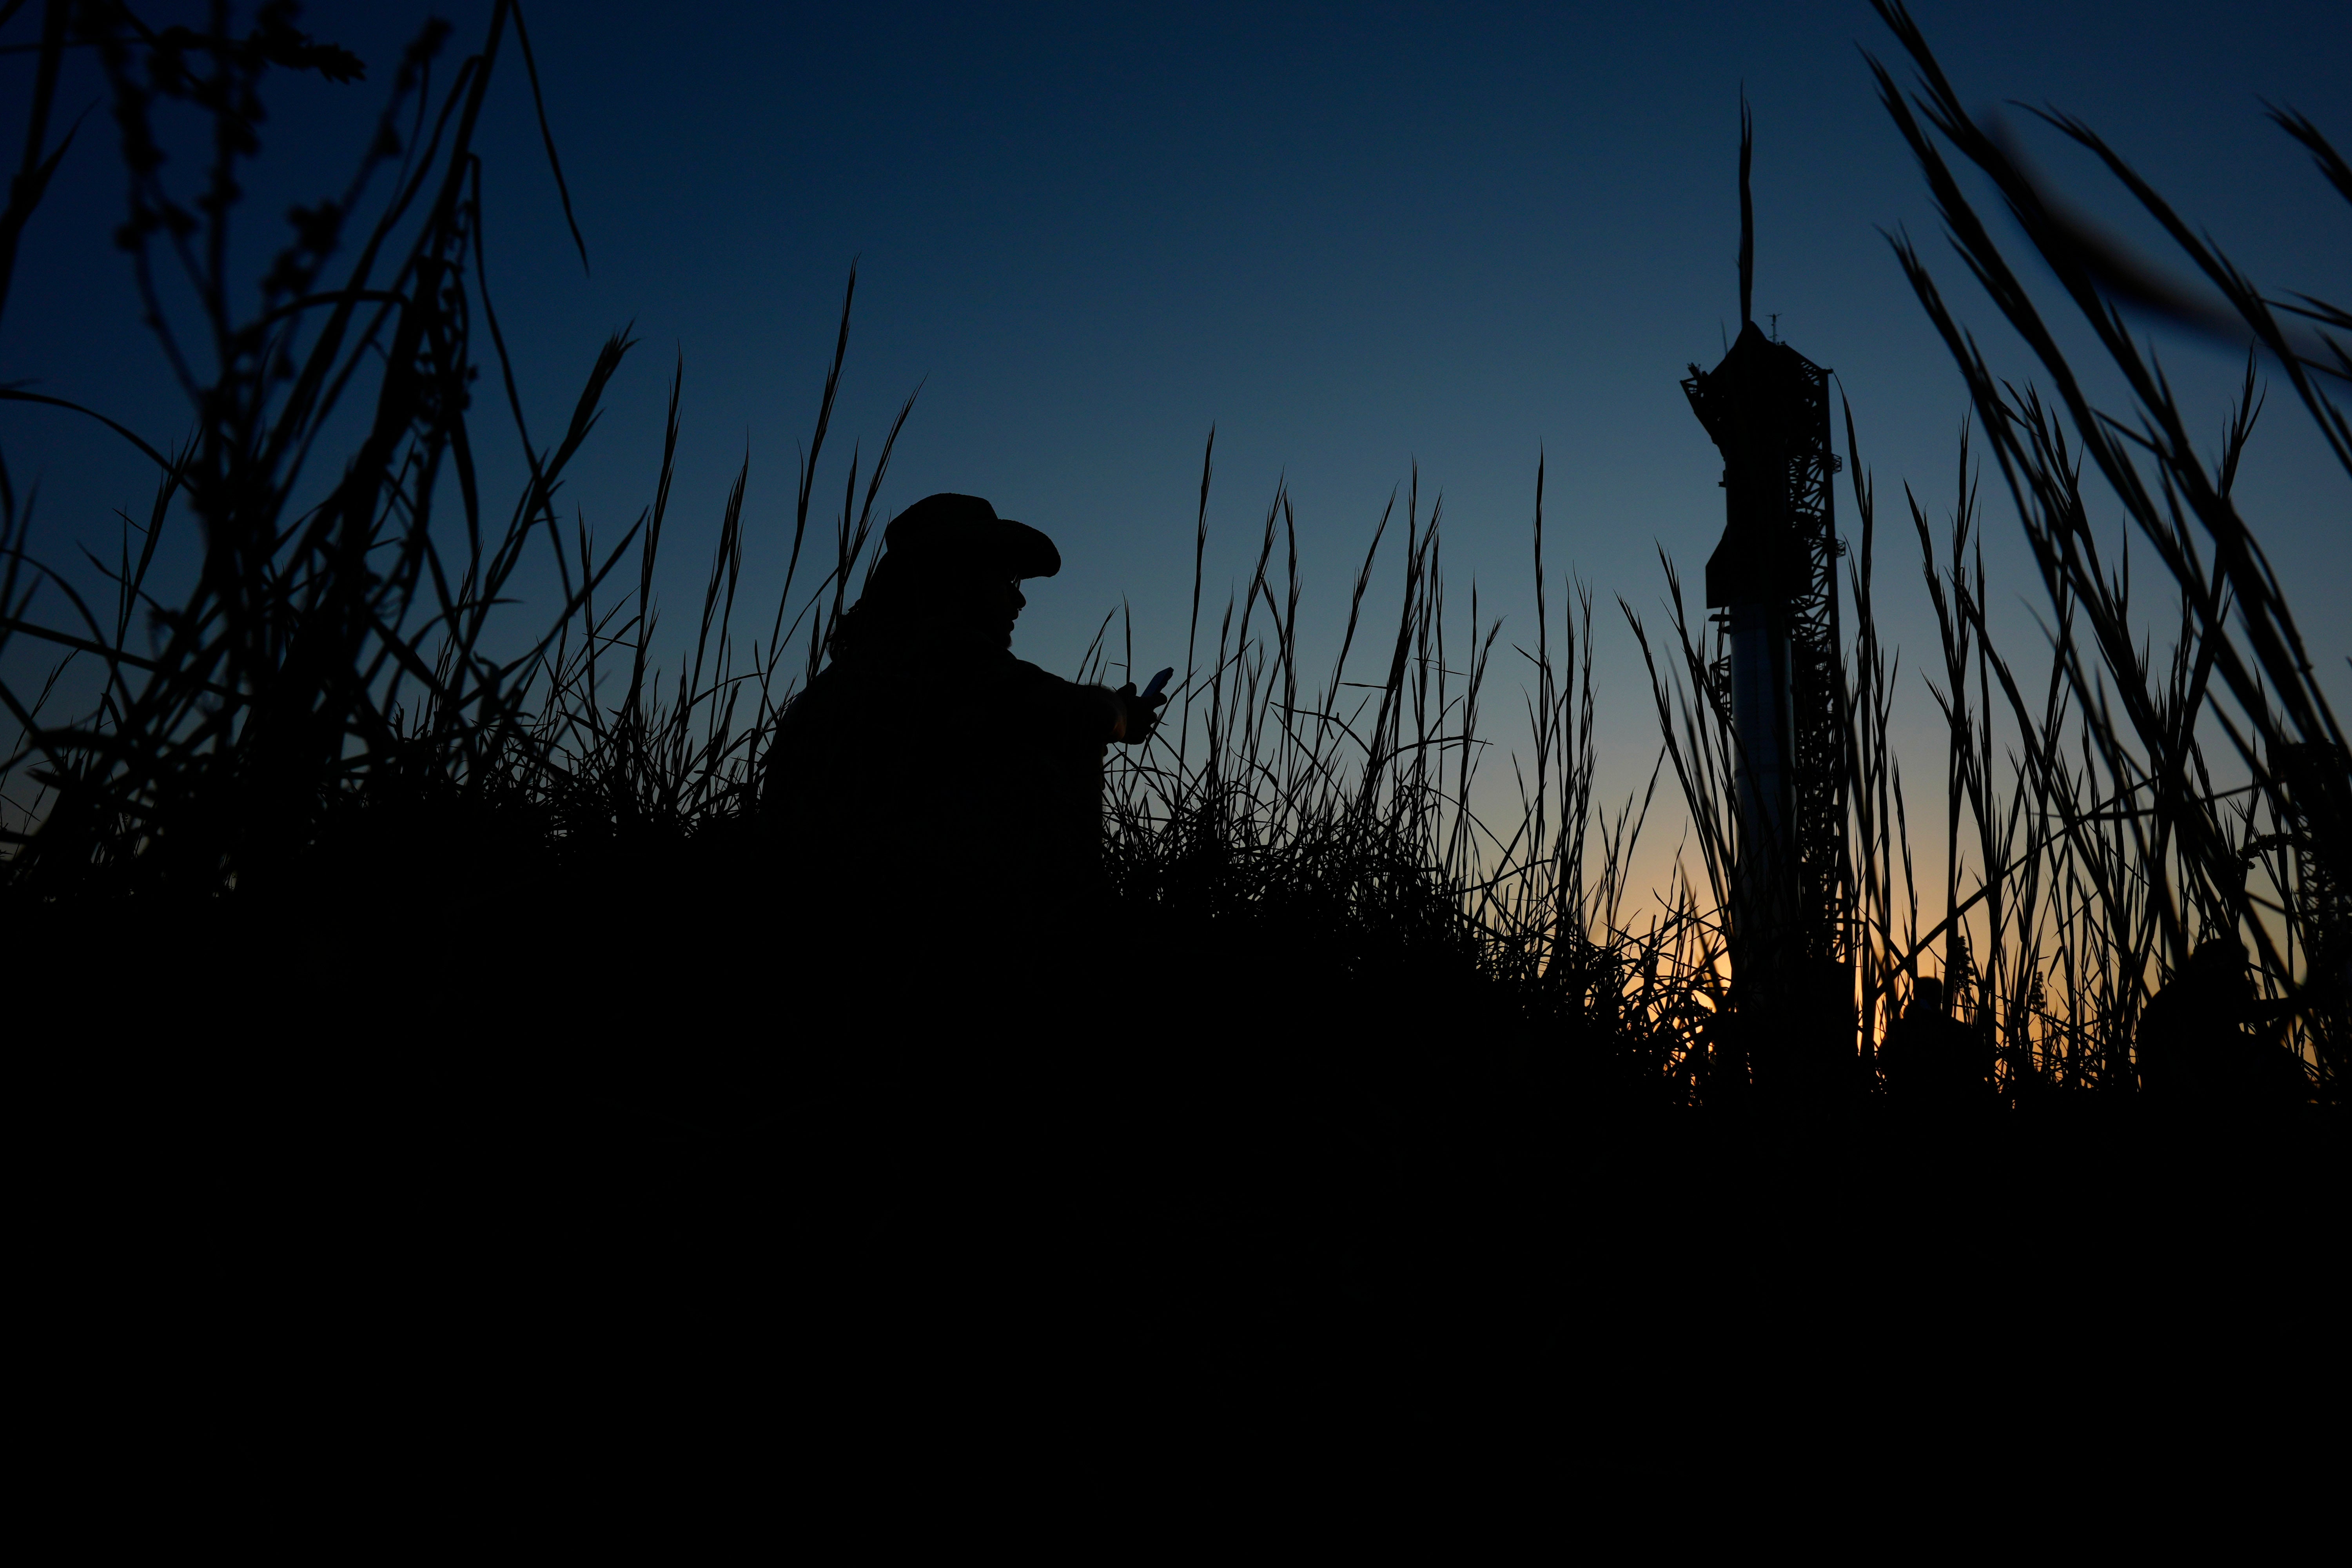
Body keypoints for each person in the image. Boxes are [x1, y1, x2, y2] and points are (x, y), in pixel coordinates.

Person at [759, 493, 1165, 938]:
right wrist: (1122, 712)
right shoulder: (942, 652)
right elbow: (1085, 714)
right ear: (957, 574)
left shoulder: (852, 674)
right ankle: (1076, 946)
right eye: (1008, 577)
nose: (1020, 600)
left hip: (809, 918)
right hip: (898, 930)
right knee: (1057, 745)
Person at [2135, 938, 2311, 1107]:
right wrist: (2300, 1002)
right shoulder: (2197, 991)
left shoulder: (2180, 991)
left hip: (2181, 1082)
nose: (2239, 974)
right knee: (2281, 1064)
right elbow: (2248, 1012)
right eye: (2237, 967)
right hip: (2189, 1085)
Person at [1878, 975, 1990, 1107]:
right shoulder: (1958, 1030)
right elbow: (1983, 1067)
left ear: (1916, 994)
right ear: (1940, 997)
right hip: (1951, 1105)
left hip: (1906, 1105)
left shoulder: (1899, 1028)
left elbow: (1883, 1063)